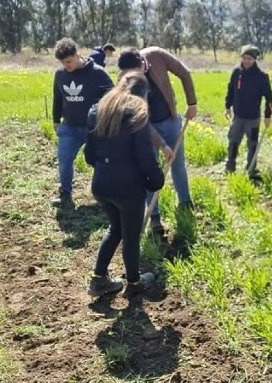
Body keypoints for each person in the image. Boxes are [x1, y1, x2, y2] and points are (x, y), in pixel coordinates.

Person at [84, 71, 165, 298]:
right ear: (144, 93)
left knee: (115, 229)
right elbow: (145, 156)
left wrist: (104, 167)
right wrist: (156, 179)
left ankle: (99, 279)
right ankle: (134, 283)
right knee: (131, 236)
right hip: (128, 188)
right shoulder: (137, 113)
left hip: (101, 184)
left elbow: (89, 154)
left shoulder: (99, 110)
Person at [117, 47, 198, 239]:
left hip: (170, 120)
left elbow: (184, 73)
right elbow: (139, 119)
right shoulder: (124, 82)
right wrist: (162, 145)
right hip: (145, 127)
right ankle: (154, 216)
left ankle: (185, 202)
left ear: (143, 63)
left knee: (177, 163)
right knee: (149, 169)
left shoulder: (157, 55)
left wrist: (192, 103)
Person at [52, 37, 114, 206]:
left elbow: (113, 96)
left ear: (78, 55)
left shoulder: (97, 73)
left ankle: (104, 197)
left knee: (99, 162)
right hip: (69, 127)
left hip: (94, 128)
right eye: (63, 63)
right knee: (64, 159)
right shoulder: (60, 75)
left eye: (69, 62)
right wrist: (56, 120)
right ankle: (65, 193)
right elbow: (57, 98)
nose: (67, 66)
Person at [224, 44, 272, 179]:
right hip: (238, 116)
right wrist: (227, 107)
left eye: (249, 59)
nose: (246, 61)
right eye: (244, 58)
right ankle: (230, 166)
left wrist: (268, 116)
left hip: (253, 118)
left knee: (252, 144)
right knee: (233, 141)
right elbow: (230, 90)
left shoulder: (262, 76)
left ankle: (251, 169)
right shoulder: (236, 73)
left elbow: (269, 98)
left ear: (255, 60)